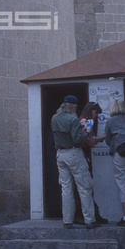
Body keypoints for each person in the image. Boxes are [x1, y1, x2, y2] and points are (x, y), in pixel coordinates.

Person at [50, 95, 100, 229]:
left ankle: (67, 221)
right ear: (74, 107)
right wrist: (87, 131)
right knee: (84, 186)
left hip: (60, 154)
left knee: (66, 189)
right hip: (73, 153)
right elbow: (78, 140)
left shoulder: (54, 118)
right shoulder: (72, 119)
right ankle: (90, 220)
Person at [78, 102, 108, 224]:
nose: (96, 116)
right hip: (84, 154)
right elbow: (88, 141)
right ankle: (92, 215)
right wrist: (101, 137)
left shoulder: (82, 120)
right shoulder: (87, 121)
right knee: (87, 186)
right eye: (96, 113)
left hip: (81, 154)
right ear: (91, 111)